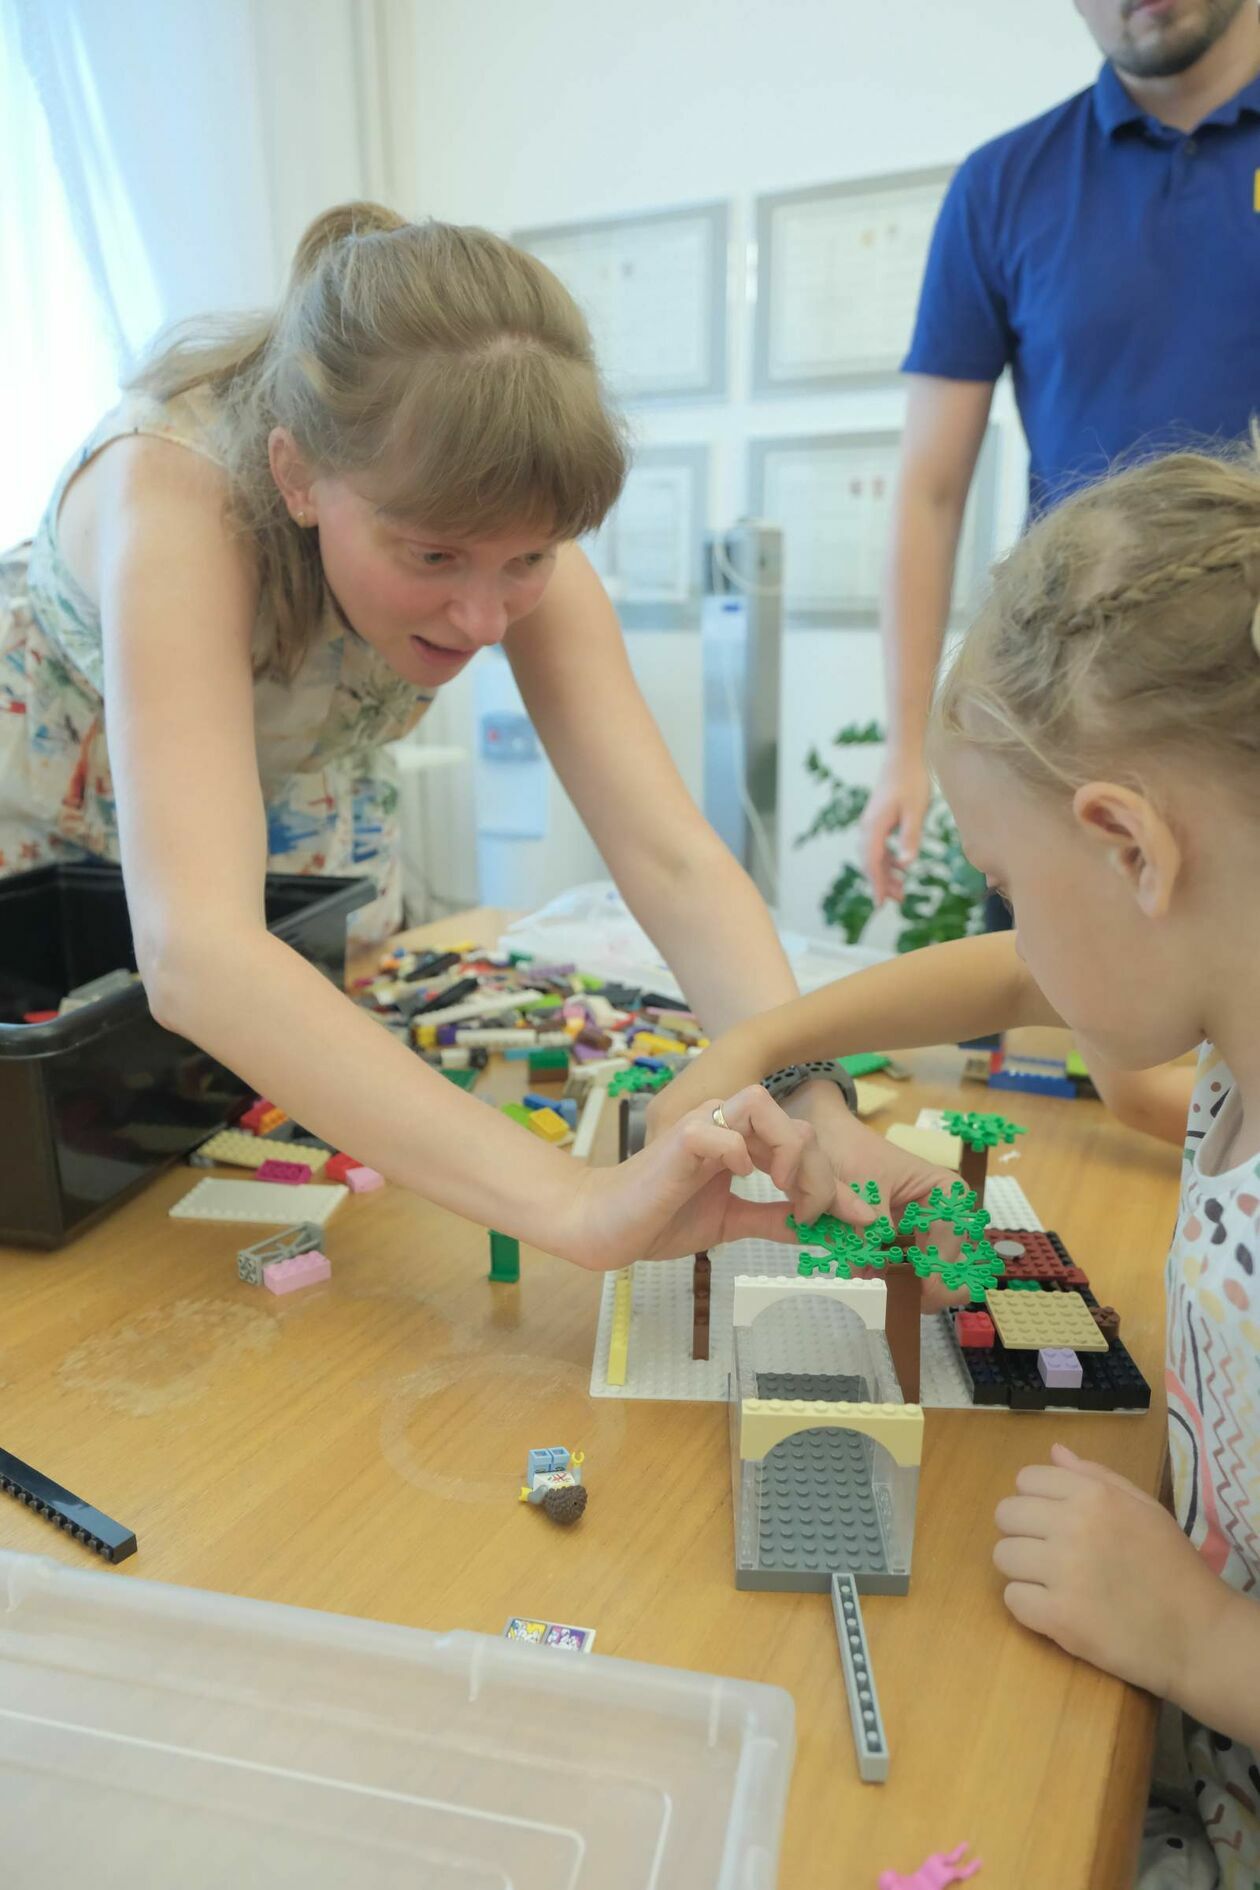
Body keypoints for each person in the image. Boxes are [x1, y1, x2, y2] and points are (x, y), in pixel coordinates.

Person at [0, 199, 947, 1265]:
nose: (490, 620)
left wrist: (808, 1096)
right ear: (298, 474)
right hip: (45, 811)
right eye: (434, 558)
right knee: (68, 1179)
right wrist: (575, 1205)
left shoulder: (500, 513)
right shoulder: (177, 495)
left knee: (264, 1153)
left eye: (528, 562)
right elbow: (198, 953)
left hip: (294, 793)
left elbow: (670, 855)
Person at [661, 443, 1260, 1883]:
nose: (1018, 935)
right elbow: (1014, 974)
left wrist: (1201, 1636)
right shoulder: (1226, 1016)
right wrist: (777, 1046)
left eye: (1011, 870)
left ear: (1128, 844)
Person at [862, 0, 1260, 909]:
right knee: (1050, 1029)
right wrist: (906, 745)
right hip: (1072, 715)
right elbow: (927, 492)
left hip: (1251, 693)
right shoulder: (1003, 185)